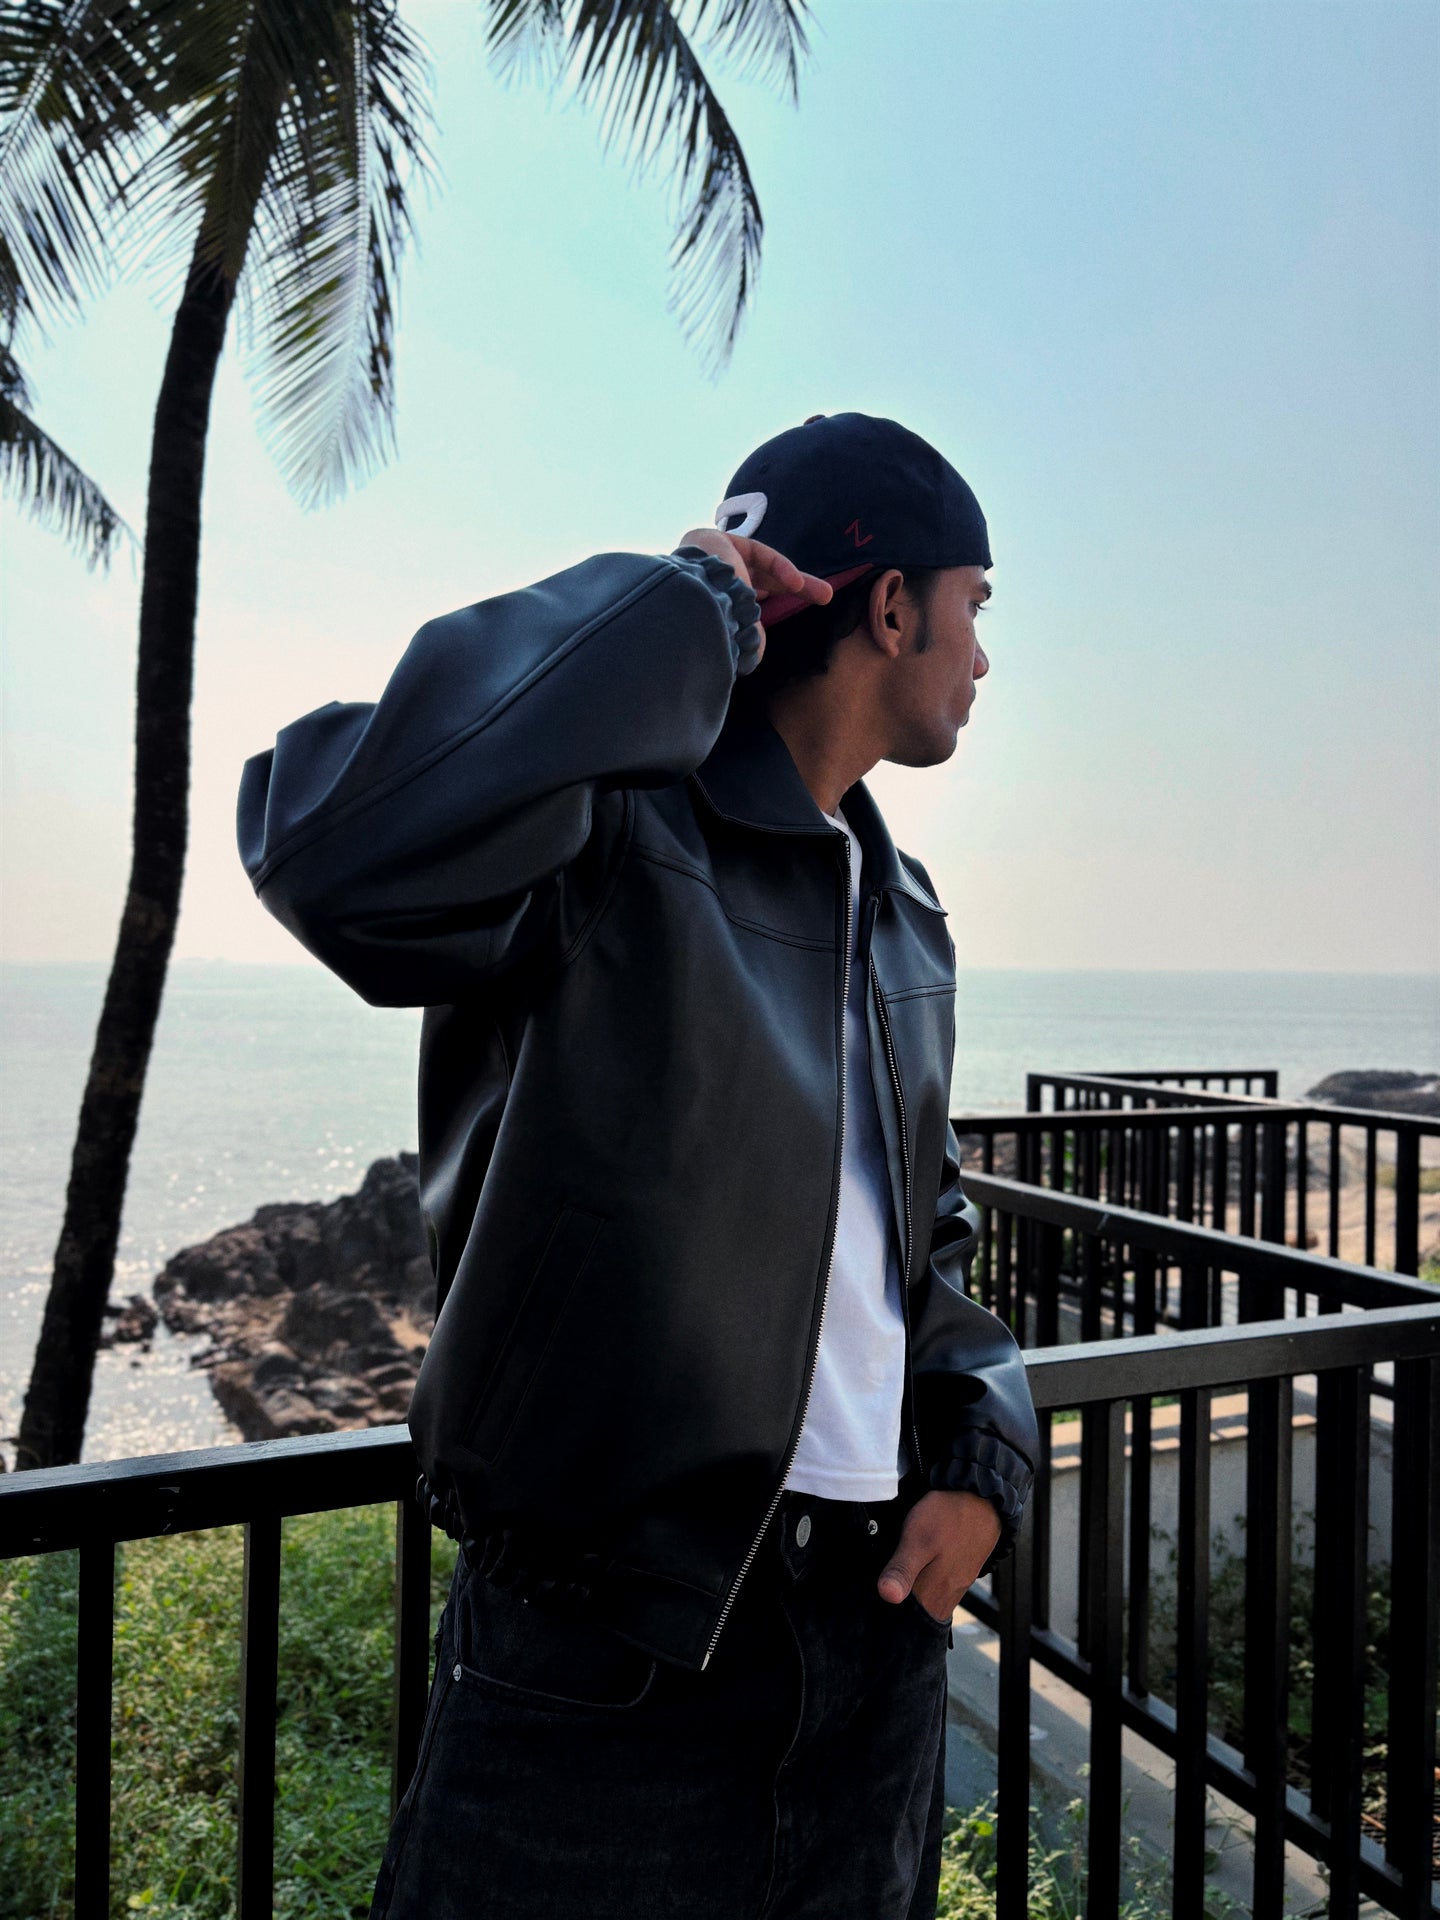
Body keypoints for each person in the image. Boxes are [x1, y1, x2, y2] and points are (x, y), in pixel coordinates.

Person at [237, 411, 1039, 1920]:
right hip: (606, 1657)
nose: (985, 655)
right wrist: (682, 602)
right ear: (890, 606)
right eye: (975, 605)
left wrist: (979, 1455)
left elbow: (920, 1232)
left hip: (872, 1636)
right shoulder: (600, 830)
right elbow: (330, 845)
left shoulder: (902, 905)